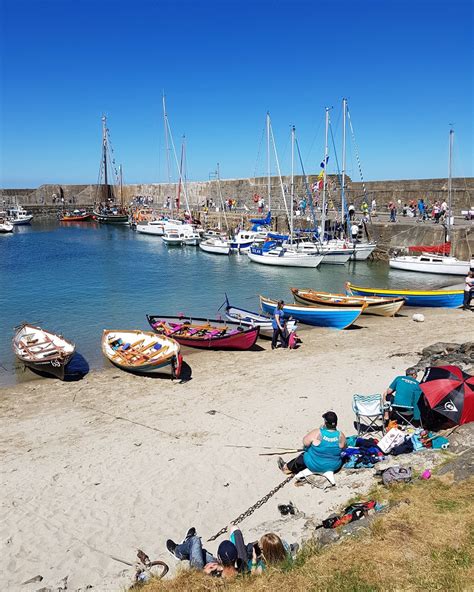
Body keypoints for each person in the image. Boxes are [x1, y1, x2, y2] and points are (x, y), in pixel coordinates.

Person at [278, 412, 346, 476]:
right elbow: (344, 448)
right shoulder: (341, 435)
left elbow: (305, 442)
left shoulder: (318, 433)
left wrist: (320, 429)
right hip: (334, 466)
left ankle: (286, 468)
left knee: (305, 454)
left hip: (315, 466)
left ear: (325, 422)